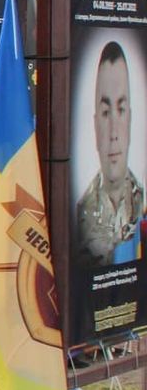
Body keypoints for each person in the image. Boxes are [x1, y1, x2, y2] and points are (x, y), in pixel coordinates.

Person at [77, 41, 145, 268]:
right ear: (95, 126)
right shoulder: (80, 218)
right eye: (106, 113)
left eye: (121, 110)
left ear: (131, 120)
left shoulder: (142, 200)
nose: (114, 133)